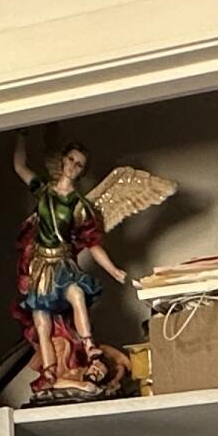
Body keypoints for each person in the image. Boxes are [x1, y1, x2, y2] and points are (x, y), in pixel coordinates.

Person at [12, 138, 137, 396]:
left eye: (79, 164)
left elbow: (92, 243)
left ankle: (90, 347)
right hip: (41, 267)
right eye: (70, 160)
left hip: (64, 265)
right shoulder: (44, 191)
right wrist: (20, 136)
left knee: (77, 294)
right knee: (42, 321)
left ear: (82, 171)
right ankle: (50, 371)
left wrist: (113, 269)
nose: (73, 166)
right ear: (63, 160)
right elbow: (19, 166)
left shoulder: (79, 206)